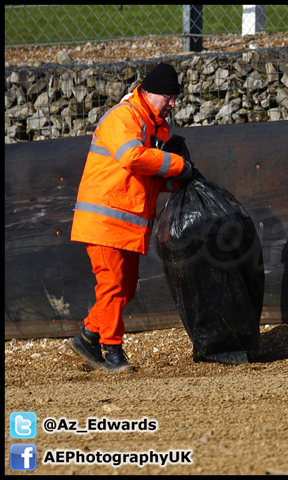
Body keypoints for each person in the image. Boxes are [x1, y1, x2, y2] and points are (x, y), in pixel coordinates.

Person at [69, 62, 193, 372]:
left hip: (123, 224)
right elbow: (132, 158)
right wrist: (177, 165)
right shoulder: (124, 117)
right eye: (169, 97)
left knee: (125, 288)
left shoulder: (148, 124)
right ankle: (112, 350)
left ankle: (87, 336)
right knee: (112, 286)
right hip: (104, 223)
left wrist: (176, 177)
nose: (173, 104)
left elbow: (142, 177)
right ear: (150, 93)